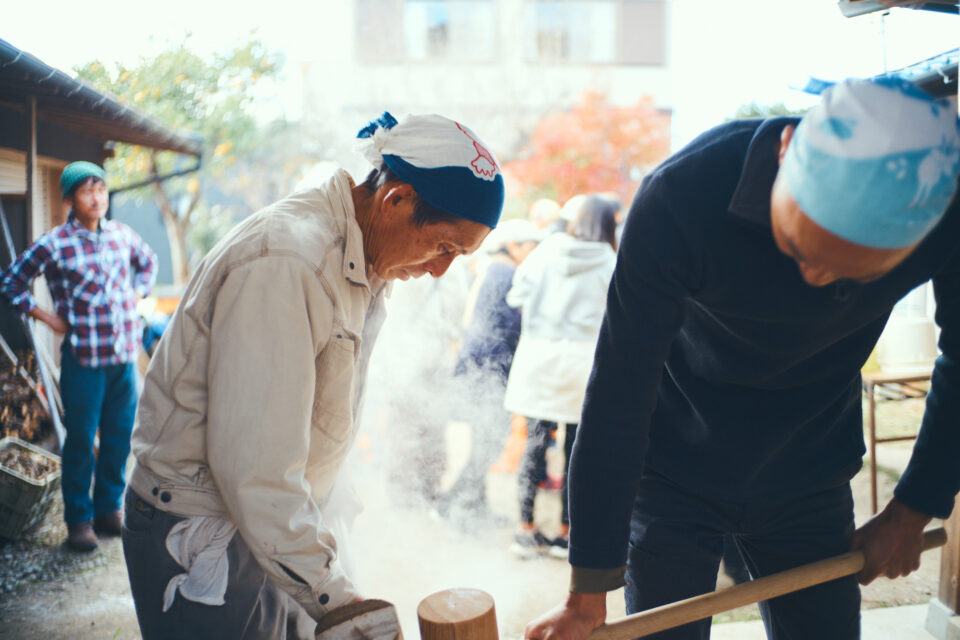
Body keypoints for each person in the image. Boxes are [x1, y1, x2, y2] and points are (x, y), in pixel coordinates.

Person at [525, 77, 960, 640]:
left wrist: (913, 507)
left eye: (853, 271)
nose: (816, 281)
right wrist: (588, 590)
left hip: (810, 468)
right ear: (785, 153)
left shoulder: (948, 211)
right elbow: (618, 394)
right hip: (673, 469)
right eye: (803, 246)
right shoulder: (681, 198)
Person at [121, 111, 503, 639]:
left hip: (271, 523)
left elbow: (316, 419)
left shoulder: (367, 257)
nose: (441, 270)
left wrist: (333, 526)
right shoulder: (287, 262)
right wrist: (339, 598)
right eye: (444, 247)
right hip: (203, 523)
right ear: (397, 201)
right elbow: (256, 468)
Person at [0, 161, 157, 552]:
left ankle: (109, 510)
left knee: (120, 439)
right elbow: (12, 282)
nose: (96, 197)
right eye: (87, 191)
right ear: (70, 198)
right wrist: (46, 317)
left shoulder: (122, 235)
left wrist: (138, 294)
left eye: (101, 189)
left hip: (123, 359)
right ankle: (79, 521)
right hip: (83, 364)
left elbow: (148, 263)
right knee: (81, 442)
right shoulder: (54, 243)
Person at [504, 194, 618, 559]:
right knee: (576, 451)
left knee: (535, 444)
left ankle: (524, 531)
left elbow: (516, 293)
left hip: (540, 356)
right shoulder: (609, 258)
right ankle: (568, 533)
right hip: (584, 362)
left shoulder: (547, 250)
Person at [437, 219, 542, 528]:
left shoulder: (495, 269)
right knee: (488, 444)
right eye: (529, 245)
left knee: (484, 441)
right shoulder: (506, 273)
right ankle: (452, 509)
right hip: (488, 370)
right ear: (513, 246)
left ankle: (474, 507)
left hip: (479, 367)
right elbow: (507, 328)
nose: (533, 251)